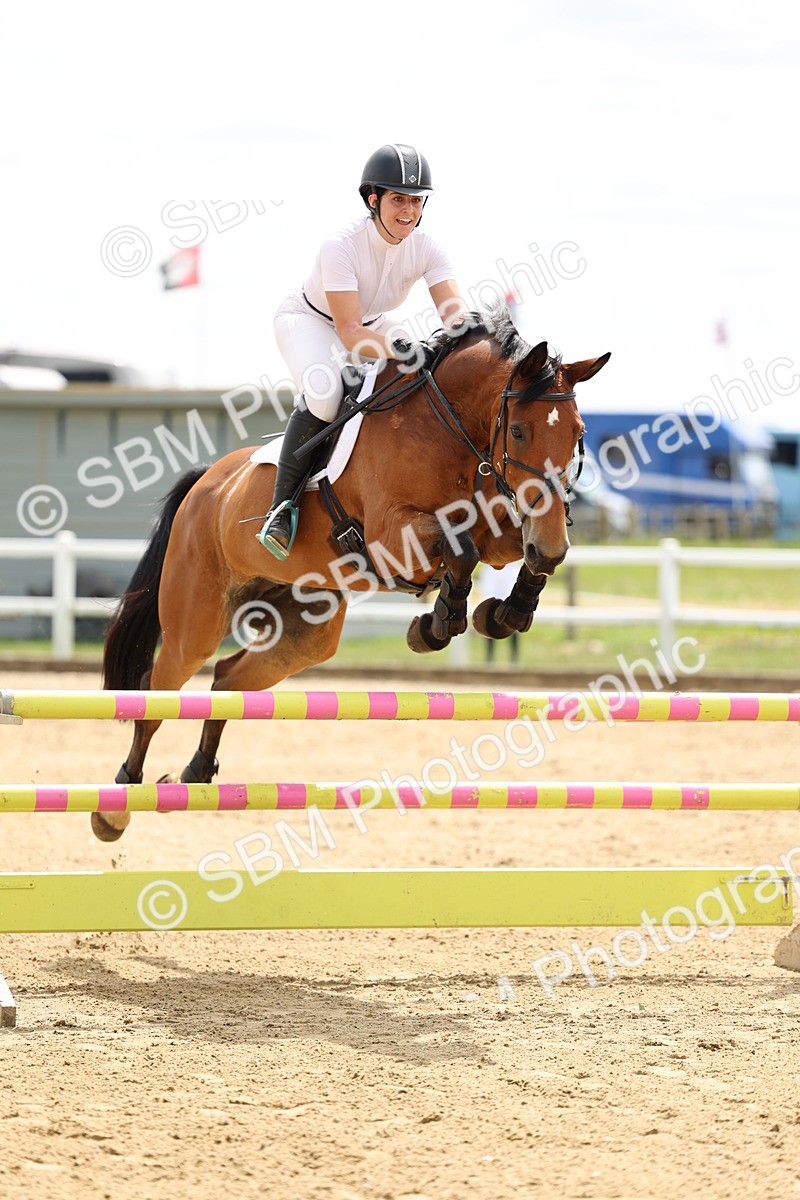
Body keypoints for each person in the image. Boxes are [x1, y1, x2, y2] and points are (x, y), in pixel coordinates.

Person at [257, 143, 465, 558]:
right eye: (398, 200)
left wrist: (475, 335)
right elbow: (349, 333)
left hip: (371, 324)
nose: (408, 211)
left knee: (419, 379)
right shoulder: (340, 246)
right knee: (325, 393)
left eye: (415, 201)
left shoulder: (428, 247)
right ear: (374, 199)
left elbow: (454, 316)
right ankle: (282, 507)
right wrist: (403, 346)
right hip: (310, 321)